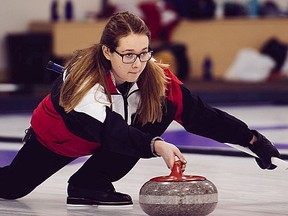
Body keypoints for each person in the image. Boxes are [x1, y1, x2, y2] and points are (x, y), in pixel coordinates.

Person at [0, 11, 280, 207]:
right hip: (58, 141)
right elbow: (110, 131)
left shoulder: (158, 79)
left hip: (113, 134)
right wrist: (156, 146)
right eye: (128, 55)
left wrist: (252, 140)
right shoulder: (83, 82)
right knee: (12, 188)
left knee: (164, 105)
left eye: (145, 53)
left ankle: (90, 184)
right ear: (107, 52)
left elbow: (201, 116)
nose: (138, 63)